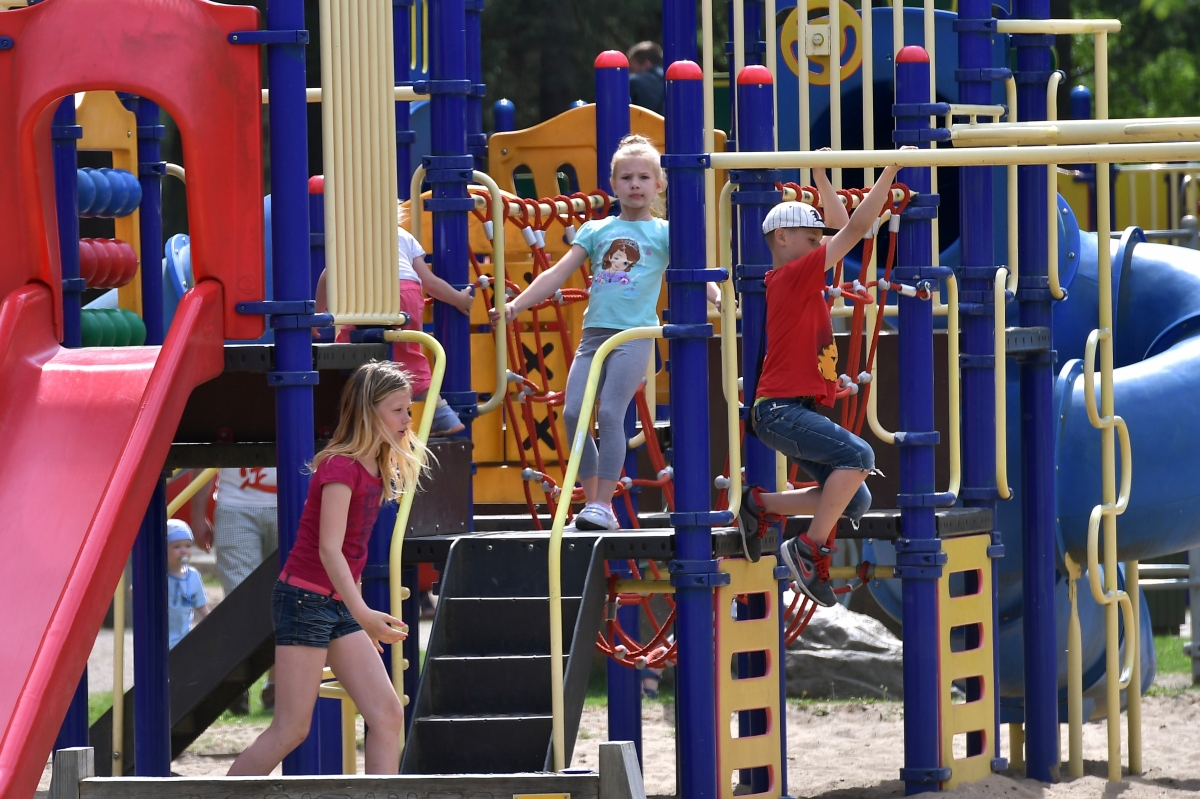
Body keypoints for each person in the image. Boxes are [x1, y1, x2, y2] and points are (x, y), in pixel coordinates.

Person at [492, 135, 712, 530]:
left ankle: (603, 504)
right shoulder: (596, 229)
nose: (635, 185)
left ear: (659, 184)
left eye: (644, 177)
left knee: (610, 413)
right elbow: (556, 273)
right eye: (626, 178)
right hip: (594, 335)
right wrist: (516, 305)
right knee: (573, 414)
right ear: (613, 184)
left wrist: (717, 295)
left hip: (633, 336)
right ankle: (594, 504)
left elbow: (693, 269)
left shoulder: (665, 233)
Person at [228, 361, 428, 775]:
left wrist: (356, 620)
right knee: (291, 729)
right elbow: (329, 550)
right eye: (398, 410)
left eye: (408, 409)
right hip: (305, 601)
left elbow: (351, 557)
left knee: (387, 715)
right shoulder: (341, 467)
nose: (407, 420)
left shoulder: (376, 465)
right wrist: (363, 615)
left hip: (337, 605)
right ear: (369, 412)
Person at [737, 151, 913, 607]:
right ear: (782, 237)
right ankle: (808, 548)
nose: (821, 243)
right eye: (811, 238)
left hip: (789, 410)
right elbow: (854, 231)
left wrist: (819, 175)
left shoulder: (801, 274)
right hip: (780, 409)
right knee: (860, 455)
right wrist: (890, 171)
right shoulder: (791, 275)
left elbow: (840, 229)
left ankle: (760, 505)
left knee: (855, 500)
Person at [315, 210, 474, 436]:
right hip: (408, 293)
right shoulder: (403, 235)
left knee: (351, 350)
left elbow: (328, 275)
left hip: (370, 292)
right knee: (409, 353)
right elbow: (430, 282)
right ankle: (442, 415)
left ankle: (354, 419)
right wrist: (459, 299)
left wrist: (317, 314)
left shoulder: (351, 235)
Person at [211, 466, 278, 711]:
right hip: (235, 503)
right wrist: (198, 514)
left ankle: (277, 684)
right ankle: (238, 682)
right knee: (241, 599)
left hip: (292, 500)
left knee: (288, 597)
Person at [167, 519, 210, 649]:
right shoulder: (157, 575)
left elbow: (200, 604)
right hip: (160, 640)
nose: (183, 551)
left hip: (183, 638)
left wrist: (212, 623)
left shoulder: (193, 575)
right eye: (177, 546)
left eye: (188, 546)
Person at [628, 41, 665, 115]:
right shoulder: (673, 82)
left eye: (633, 69)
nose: (631, 73)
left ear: (646, 64)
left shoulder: (634, 82)